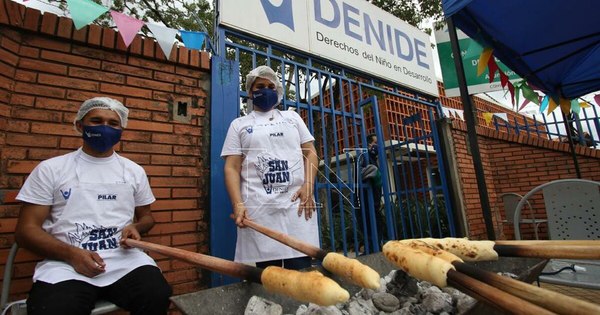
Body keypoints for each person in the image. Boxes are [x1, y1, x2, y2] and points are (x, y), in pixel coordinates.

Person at [15, 97, 172, 315]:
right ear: (80, 125)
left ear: (121, 130)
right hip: (66, 265)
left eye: (113, 123)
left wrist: (138, 227)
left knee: (157, 294)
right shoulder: (51, 169)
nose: (105, 128)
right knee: (53, 308)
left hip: (123, 261)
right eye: (96, 121)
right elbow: (26, 231)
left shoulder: (133, 171)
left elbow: (147, 217)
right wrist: (71, 254)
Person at [221, 65, 319, 270]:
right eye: (260, 86)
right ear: (250, 91)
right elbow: (231, 167)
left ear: (277, 91)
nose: (266, 90)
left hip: (296, 209)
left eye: (271, 86)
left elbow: (310, 152)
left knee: (301, 271)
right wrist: (237, 204)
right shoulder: (239, 124)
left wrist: (308, 184)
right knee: (268, 276)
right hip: (259, 211)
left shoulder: (292, 118)